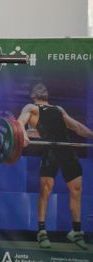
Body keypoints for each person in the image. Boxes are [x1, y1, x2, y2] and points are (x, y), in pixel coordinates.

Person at [17, 83, 93, 250]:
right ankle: (42, 232)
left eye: (43, 88)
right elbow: (19, 123)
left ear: (48, 93)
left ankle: (76, 232)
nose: (41, 88)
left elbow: (77, 127)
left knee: (76, 190)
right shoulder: (31, 107)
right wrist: (23, 135)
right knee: (46, 190)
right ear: (32, 95)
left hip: (67, 151)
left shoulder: (58, 109)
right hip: (51, 151)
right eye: (37, 88)